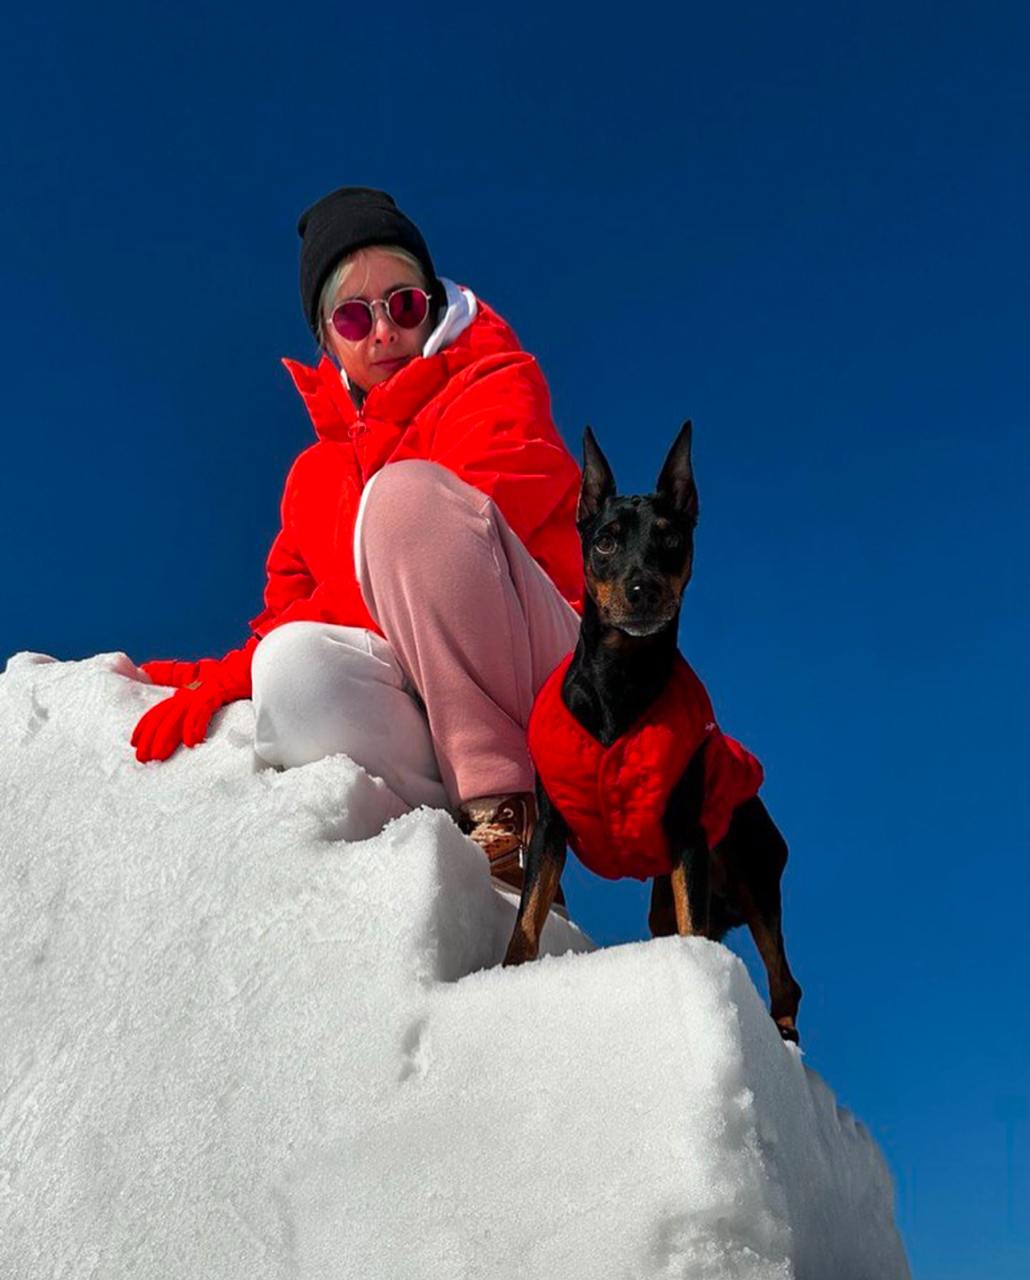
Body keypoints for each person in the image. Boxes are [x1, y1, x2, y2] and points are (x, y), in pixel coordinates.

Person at [130, 186, 583, 885]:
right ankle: (449, 867)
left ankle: (508, 813)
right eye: (352, 315)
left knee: (406, 505)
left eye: (402, 303)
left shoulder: (495, 385)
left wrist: (229, 674)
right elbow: (288, 619)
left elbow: (452, 549)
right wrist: (201, 680)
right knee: (292, 669)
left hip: (548, 683)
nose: (383, 332)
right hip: (429, 714)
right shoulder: (313, 478)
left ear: (431, 301)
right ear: (327, 339)